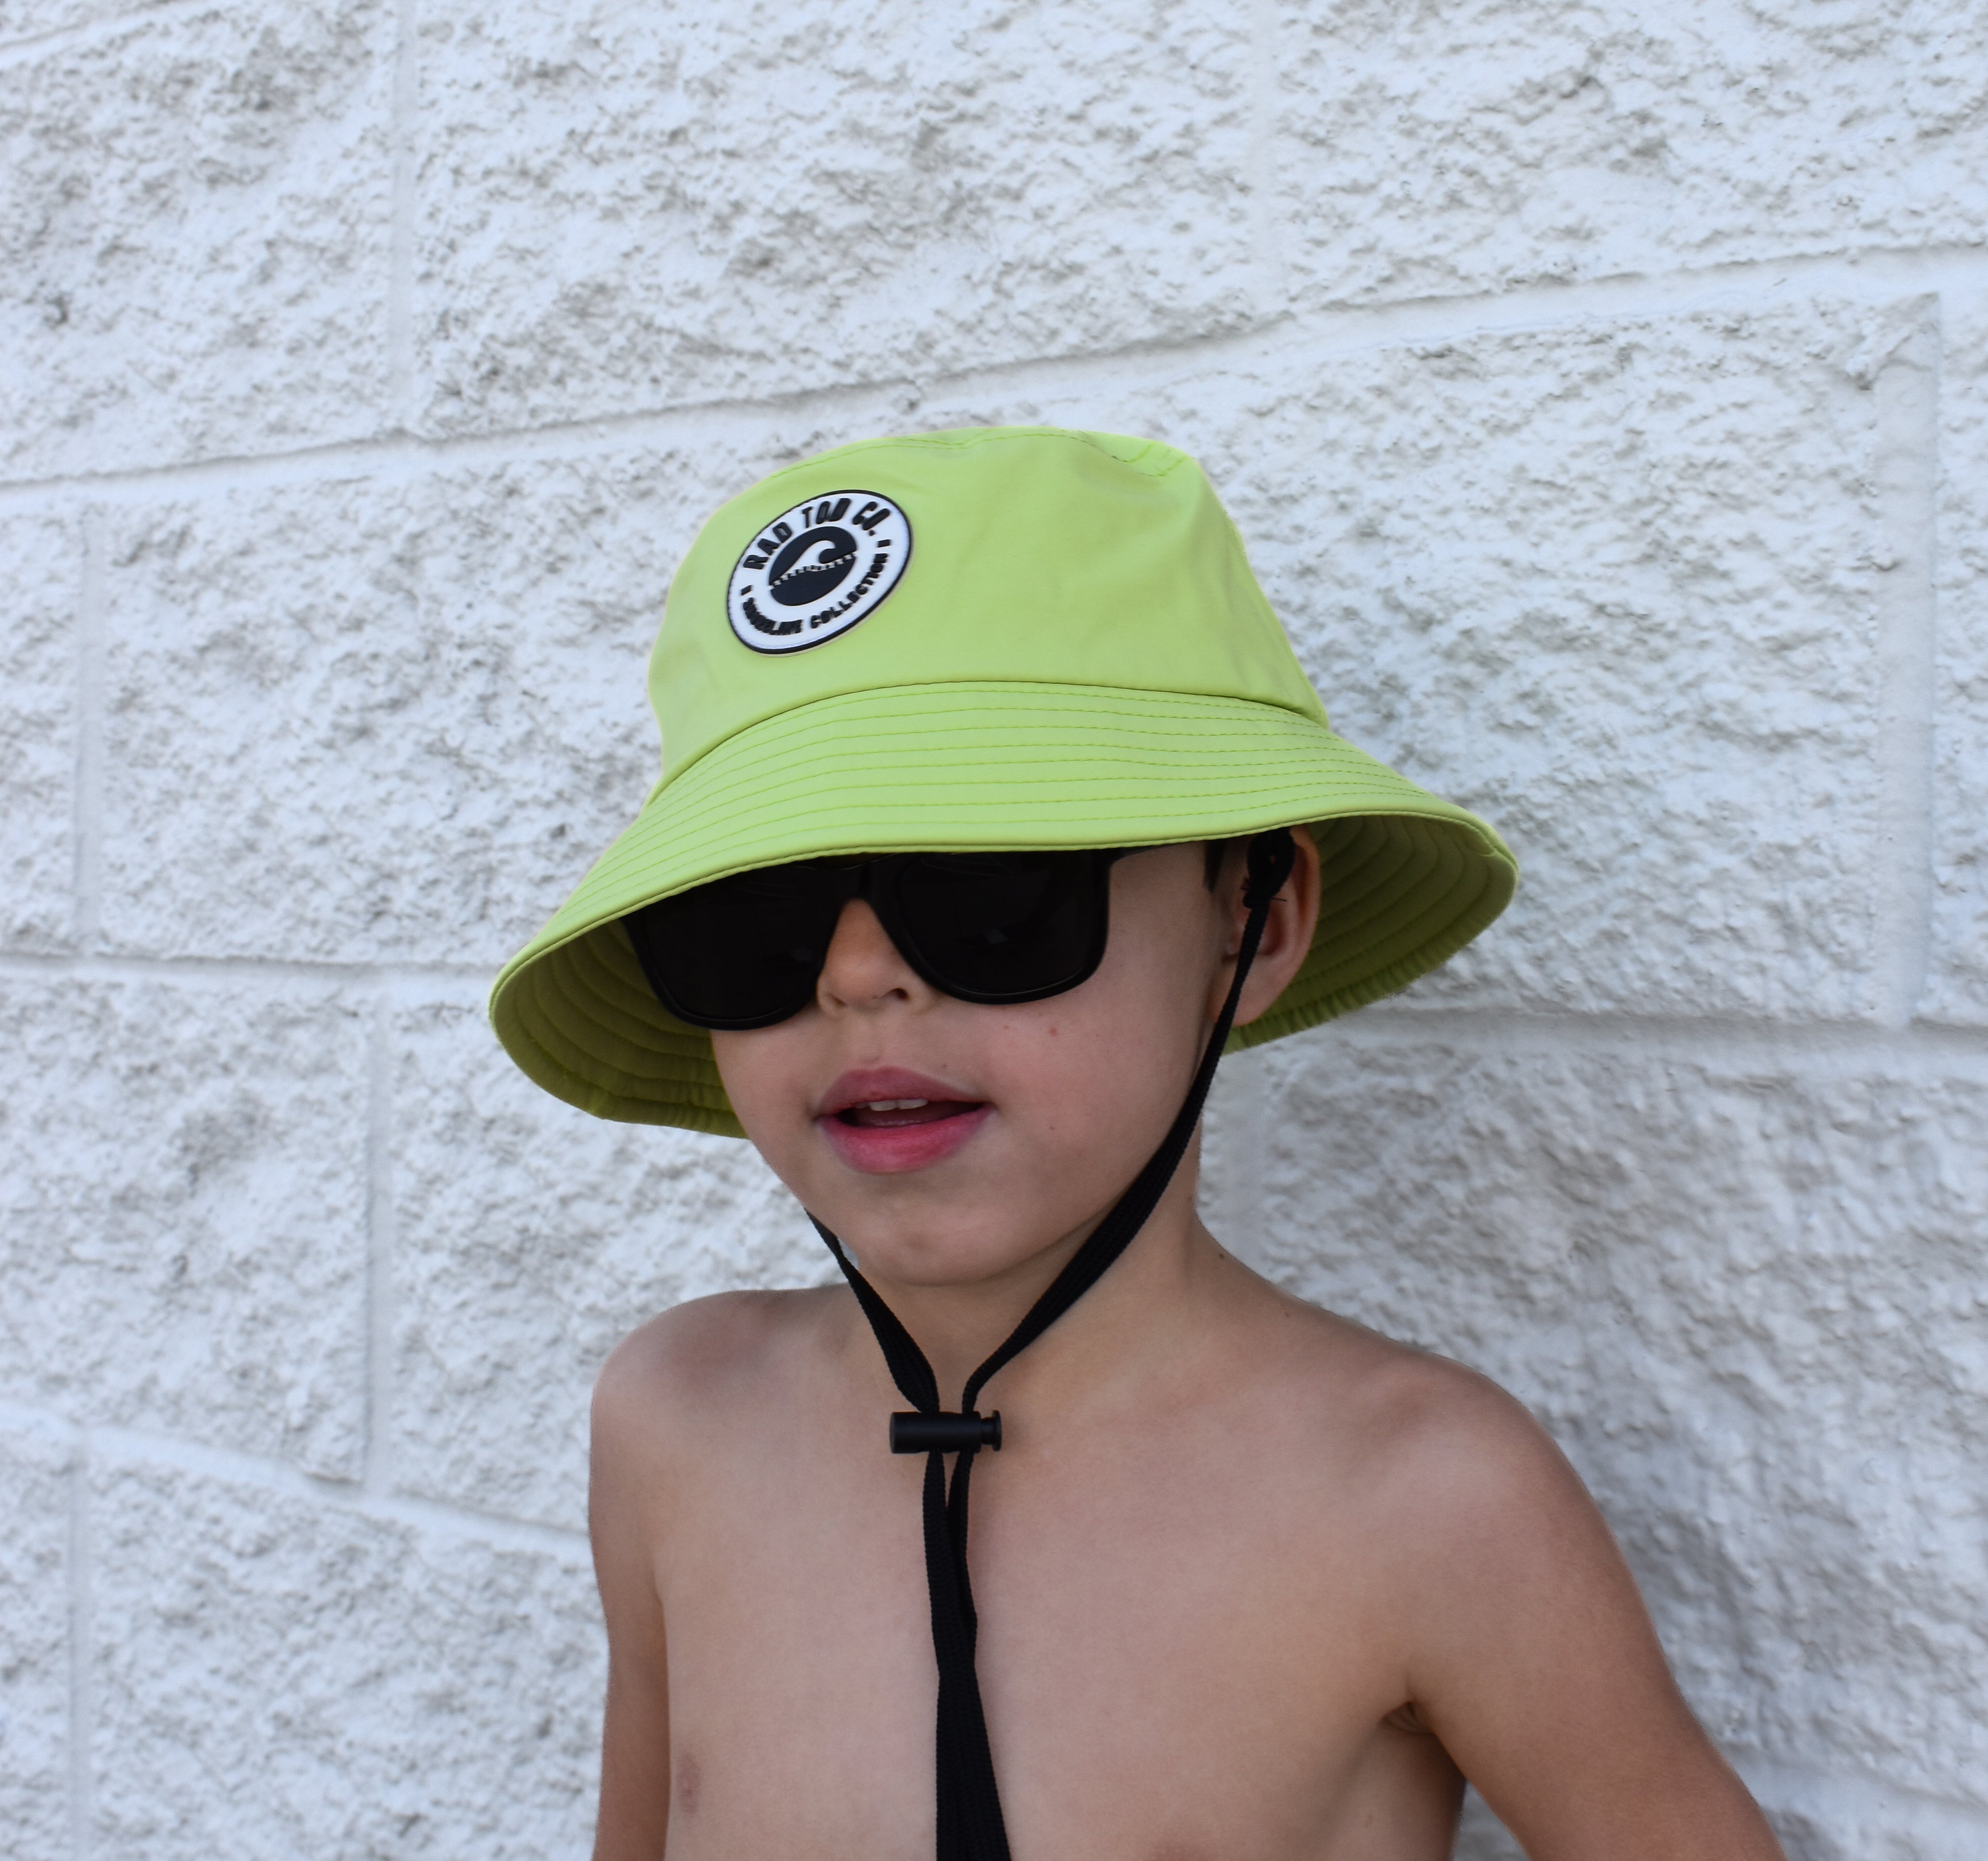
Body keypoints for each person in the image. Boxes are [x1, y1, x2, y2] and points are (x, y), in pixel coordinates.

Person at [490, 428, 1785, 1860]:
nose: (859, 979)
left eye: (987, 883)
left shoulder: (1425, 1498)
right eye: (751, 918)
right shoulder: (676, 1419)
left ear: (1255, 921)